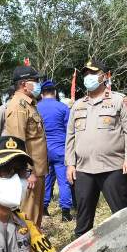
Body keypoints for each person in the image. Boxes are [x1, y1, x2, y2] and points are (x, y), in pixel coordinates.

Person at [65, 59, 127, 238]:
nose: (88, 77)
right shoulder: (78, 105)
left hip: (112, 167)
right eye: (86, 74)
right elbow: (70, 136)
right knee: (83, 219)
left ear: (103, 76)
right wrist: (70, 164)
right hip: (83, 169)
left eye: (92, 73)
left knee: (122, 214)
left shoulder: (119, 100)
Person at [5, 66, 48, 227]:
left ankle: (34, 248)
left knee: (34, 217)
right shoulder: (18, 106)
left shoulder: (29, 105)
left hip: (37, 171)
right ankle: (25, 250)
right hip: (29, 173)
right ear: (24, 84)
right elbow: (17, 142)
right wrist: (27, 171)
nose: (38, 84)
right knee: (27, 218)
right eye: (35, 81)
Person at [38, 79, 73, 221]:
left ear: (41, 94)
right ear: (55, 93)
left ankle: (44, 208)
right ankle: (65, 212)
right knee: (63, 181)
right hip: (60, 150)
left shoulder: (36, 108)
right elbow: (70, 130)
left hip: (43, 150)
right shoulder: (63, 108)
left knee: (46, 180)